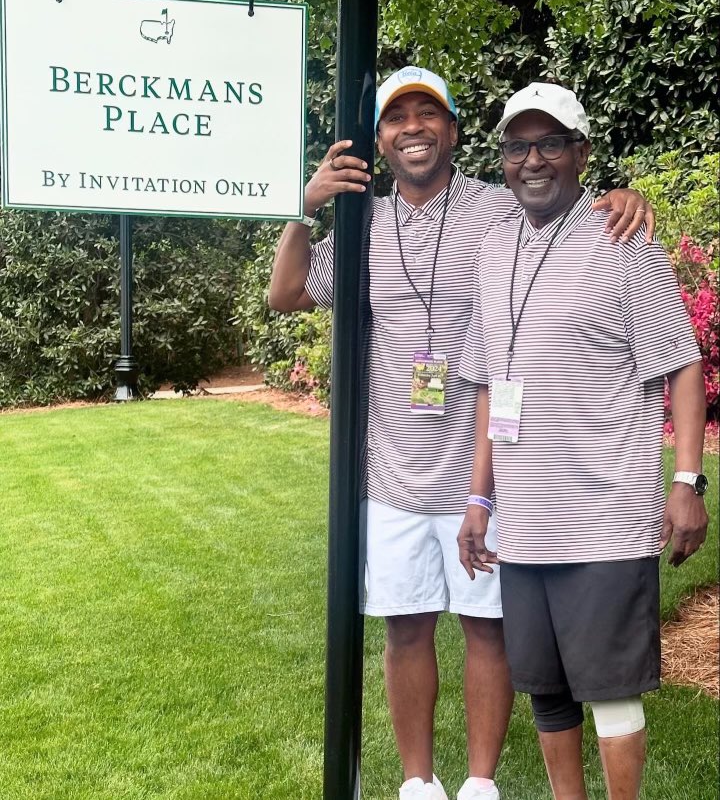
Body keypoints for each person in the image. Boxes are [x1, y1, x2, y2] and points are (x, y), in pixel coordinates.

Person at [269, 66, 654, 800]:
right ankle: (419, 783)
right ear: (379, 141)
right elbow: (286, 294)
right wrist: (304, 206)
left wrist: (621, 198)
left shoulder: (497, 208)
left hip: (492, 465)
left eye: (427, 114)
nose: (411, 127)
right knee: (405, 627)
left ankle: (480, 783)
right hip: (391, 467)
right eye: (395, 118)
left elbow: (565, 208)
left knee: (490, 629)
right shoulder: (363, 222)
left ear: (451, 129)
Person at [457, 82, 708, 800]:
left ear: (581, 152)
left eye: (550, 143)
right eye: (517, 146)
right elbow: (487, 381)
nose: (532, 159)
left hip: (603, 516)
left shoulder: (624, 239)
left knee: (611, 692)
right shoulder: (494, 245)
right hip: (526, 522)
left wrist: (688, 482)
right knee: (547, 690)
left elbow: (681, 362)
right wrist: (480, 497)